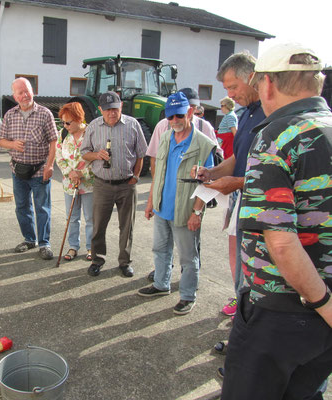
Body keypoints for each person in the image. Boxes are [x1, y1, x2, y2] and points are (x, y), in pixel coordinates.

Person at [221, 43, 332, 399]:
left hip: (281, 310)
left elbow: (281, 242)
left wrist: (322, 303)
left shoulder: (276, 135)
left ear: (267, 84)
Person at [194, 51, 266, 317]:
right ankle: (241, 301)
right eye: (228, 89)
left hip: (262, 205)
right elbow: (238, 156)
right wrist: (212, 173)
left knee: (254, 263)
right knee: (237, 255)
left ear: (254, 77)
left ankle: (248, 312)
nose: (231, 95)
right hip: (240, 199)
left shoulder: (271, 114)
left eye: (234, 87)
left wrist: (235, 182)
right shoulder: (245, 113)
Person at [137, 92, 216, 315]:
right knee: (160, 249)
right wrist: (151, 201)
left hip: (185, 211)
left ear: (190, 112)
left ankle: (188, 295)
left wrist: (197, 213)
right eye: (170, 117)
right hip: (163, 208)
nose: (174, 121)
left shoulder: (203, 144)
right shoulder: (165, 137)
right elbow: (158, 173)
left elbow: (207, 182)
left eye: (179, 116)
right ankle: (161, 285)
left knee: (188, 257)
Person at [80, 91, 147, 278]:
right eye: (108, 109)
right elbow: (84, 153)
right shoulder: (93, 126)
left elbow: (141, 154)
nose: (112, 113)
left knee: (127, 226)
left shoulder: (133, 125)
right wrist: (96, 155)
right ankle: (97, 260)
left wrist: (135, 176)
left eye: (115, 109)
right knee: (98, 225)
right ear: (101, 109)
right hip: (103, 184)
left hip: (127, 184)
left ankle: (124, 262)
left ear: (121, 107)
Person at [0, 78, 58, 260]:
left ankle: (44, 243)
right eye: (20, 92)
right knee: (22, 207)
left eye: (27, 91)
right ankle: (29, 239)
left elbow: (54, 141)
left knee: (42, 208)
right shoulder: (10, 115)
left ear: (33, 91)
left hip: (40, 169)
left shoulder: (45, 113)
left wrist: (49, 166)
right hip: (18, 171)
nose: (25, 95)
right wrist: (13, 144)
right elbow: (1, 140)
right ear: (15, 96)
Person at [146, 87, 220, 179]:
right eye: (188, 106)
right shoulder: (163, 126)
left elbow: (216, 155)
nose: (191, 109)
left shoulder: (204, 127)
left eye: (194, 106)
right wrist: (155, 183)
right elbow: (154, 157)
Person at [55, 102, 94, 261]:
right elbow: (59, 156)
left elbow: (98, 158)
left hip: (89, 183)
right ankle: (73, 247)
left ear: (79, 119)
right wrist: (70, 172)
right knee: (72, 217)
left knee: (91, 218)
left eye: (68, 122)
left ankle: (92, 247)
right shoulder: (63, 134)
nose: (65, 125)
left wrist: (82, 173)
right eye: (63, 122)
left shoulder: (92, 132)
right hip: (69, 184)